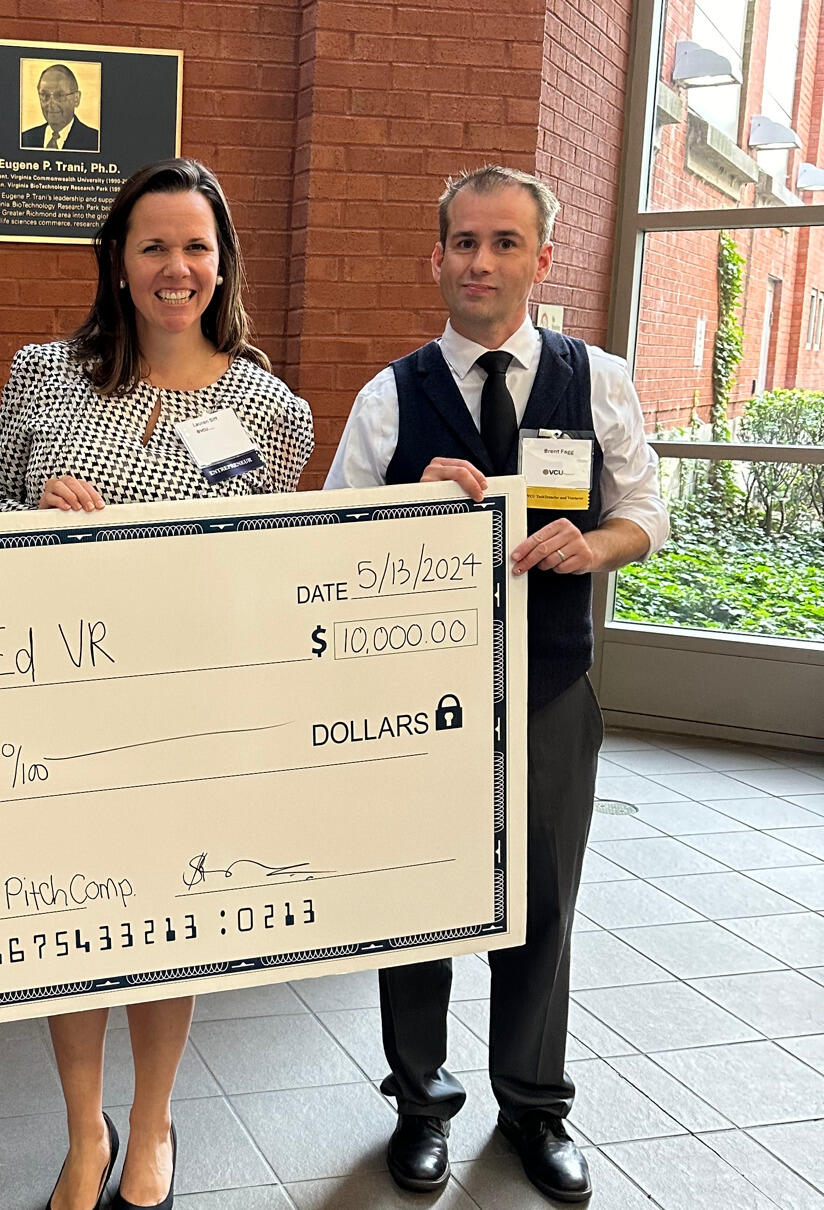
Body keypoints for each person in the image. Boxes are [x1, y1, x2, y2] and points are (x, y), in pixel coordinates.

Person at [0, 158, 314, 1210]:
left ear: (223, 263)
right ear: (118, 262)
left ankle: (152, 1119)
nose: (176, 266)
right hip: (59, 704)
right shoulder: (44, 372)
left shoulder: (270, 407)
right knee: (68, 921)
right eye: (154, 245)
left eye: (196, 246)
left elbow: (273, 568)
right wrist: (32, 516)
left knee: (173, 919)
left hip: (188, 710)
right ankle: (84, 1130)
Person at [325, 165, 668, 1204]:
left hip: (553, 688)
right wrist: (402, 506)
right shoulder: (389, 395)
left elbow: (648, 516)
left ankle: (533, 1105)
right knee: (419, 904)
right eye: (464, 242)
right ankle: (420, 1104)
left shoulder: (598, 379)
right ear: (436, 258)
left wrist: (594, 541)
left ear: (542, 260)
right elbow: (330, 542)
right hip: (422, 706)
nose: (482, 262)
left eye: (505, 243)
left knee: (545, 904)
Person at [21, 64, 99, 152]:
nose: (51, 103)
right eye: (45, 95)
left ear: (76, 99)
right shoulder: (25, 139)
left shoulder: (95, 141)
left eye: (59, 95)